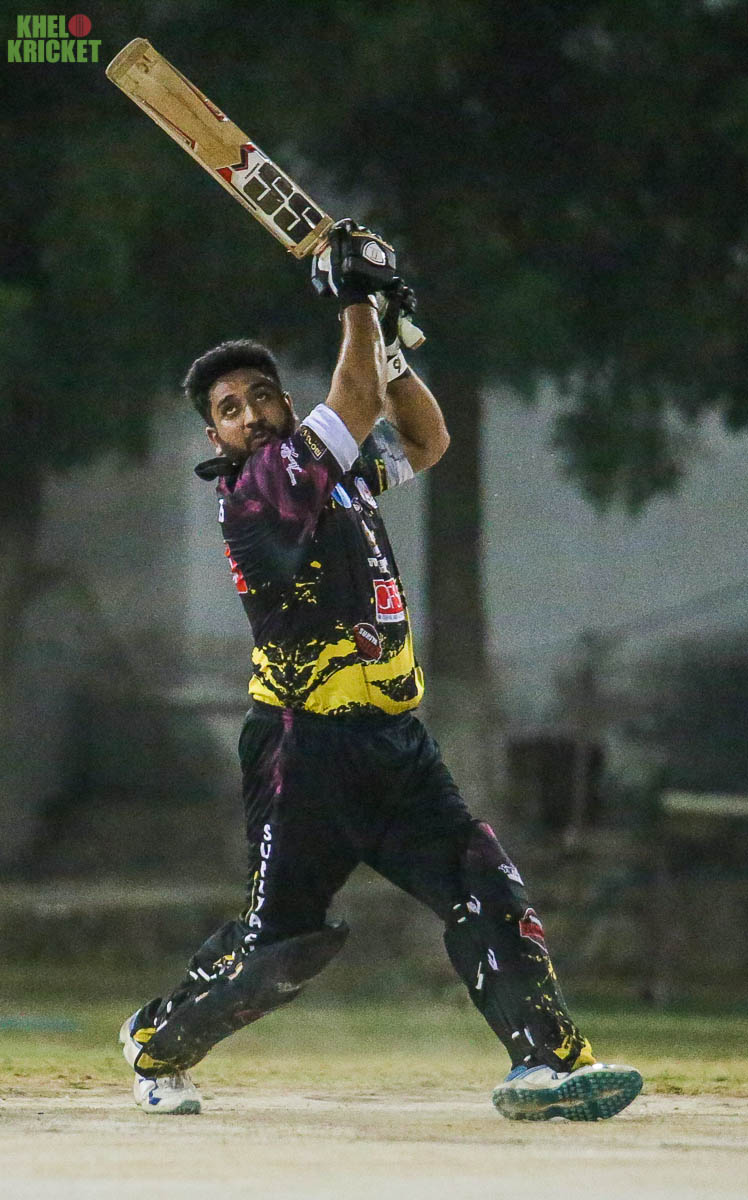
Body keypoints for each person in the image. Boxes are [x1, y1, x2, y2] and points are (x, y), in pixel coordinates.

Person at [119, 220, 642, 1121]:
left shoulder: (337, 473)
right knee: (278, 951)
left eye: (262, 396)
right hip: (303, 754)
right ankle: (156, 1041)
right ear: (216, 435)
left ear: (286, 403)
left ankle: (546, 1068)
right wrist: (358, 303)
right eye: (230, 409)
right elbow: (354, 399)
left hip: (396, 745)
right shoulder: (263, 488)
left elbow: (426, 441)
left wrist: (389, 344)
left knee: (485, 885)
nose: (250, 413)